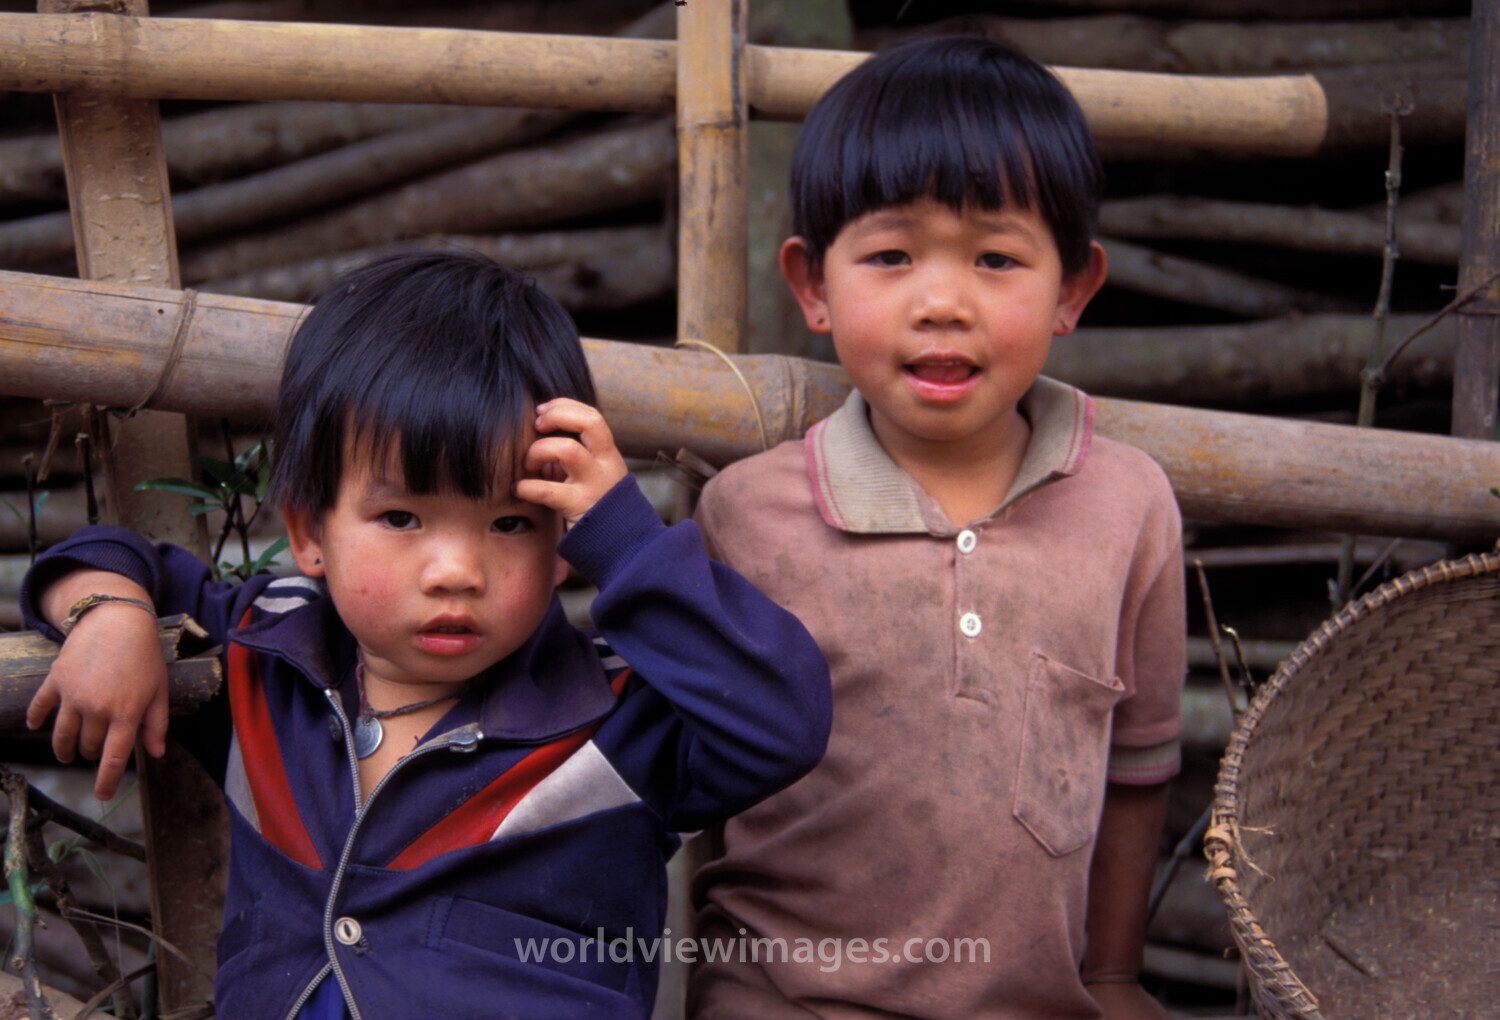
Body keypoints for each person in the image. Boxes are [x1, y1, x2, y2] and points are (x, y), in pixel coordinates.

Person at [20, 250, 832, 1020]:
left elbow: (781, 720)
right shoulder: (268, 659)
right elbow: (112, 556)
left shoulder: (619, 722)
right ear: (309, 531)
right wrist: (110, 614)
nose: (456, 570)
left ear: (563, 547)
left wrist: (623, 540)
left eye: (512, 523)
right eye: (401, 517)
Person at [687, 35, 1185, 1020]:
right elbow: (696, 790)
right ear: (815, 286)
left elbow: (1139, 765)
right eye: (891, 255)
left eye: (996, 258)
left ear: (1073, 288)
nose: (943, 303)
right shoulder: (746, 517)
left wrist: (1116, 975)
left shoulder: (1129, 509)